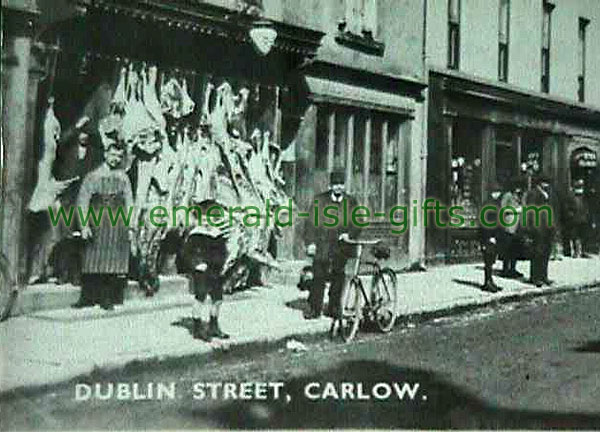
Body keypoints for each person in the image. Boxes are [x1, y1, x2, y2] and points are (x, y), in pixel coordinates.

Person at [72, 140, 133, 310]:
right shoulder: (93, 176)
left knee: (111, 260)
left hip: (116, 223)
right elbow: (83, 201)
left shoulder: (123, 178)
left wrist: (130, 227)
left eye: (119, 156)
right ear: (106, 154)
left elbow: (129, 202)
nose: (115, 159)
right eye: (112, 154)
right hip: (96, 221)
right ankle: (87, 296)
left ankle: (107, 298)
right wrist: (84, 226)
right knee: (91, 258)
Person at [304, 170, 360, 319]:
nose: (338, 188)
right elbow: (310, 223)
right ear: (330, 185)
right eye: (335, 184)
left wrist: (349, 234)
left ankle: (334, 307)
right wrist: (310, 243)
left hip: (341, 246)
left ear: (344, 186)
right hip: (323, 244)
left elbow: (357, 222)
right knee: (319, 275)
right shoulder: (320, 200)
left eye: (341, 184)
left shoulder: (351, 202)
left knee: (338, 276)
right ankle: (314, 308)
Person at [182, 203, 230, 342]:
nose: (206, 221)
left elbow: (223, 251)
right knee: (200, 297)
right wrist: (196, 264)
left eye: (208, 218)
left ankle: (213, 326)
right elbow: (186, 253)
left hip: (215, 271)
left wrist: (223, 263)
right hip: (201, 271)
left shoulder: (217, 234)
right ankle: (197, 329)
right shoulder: (195, 234)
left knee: (217, 299)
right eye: (203, 219)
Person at [524, 176, 556, 287]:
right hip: (538, 227)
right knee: (537, 252)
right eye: (545, 183)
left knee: (546, 252)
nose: (547, 185)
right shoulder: (533, 194)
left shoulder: (547, 193)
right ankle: (535, 277)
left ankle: (544, 276)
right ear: (539, 183)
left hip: (547, 226)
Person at [479, 182, 503, 293]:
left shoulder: (495, 204)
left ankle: (490, 281)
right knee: (488, 261)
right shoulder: (488, 205)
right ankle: (487, 282)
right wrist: (489, 236)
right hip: (489, 237)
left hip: (495, 236)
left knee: (492, 259)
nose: (498, 194)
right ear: (492, 193)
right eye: (496, 192)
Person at [498, 179, 524, 278]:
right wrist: (515, 210)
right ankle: (505, 270)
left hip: (516, 226)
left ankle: (513, 269)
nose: (518, 190)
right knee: (507, 249)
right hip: (508, 225)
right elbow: (502, 209)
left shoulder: (518, 196)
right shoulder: (507, 196)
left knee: (515, 249)